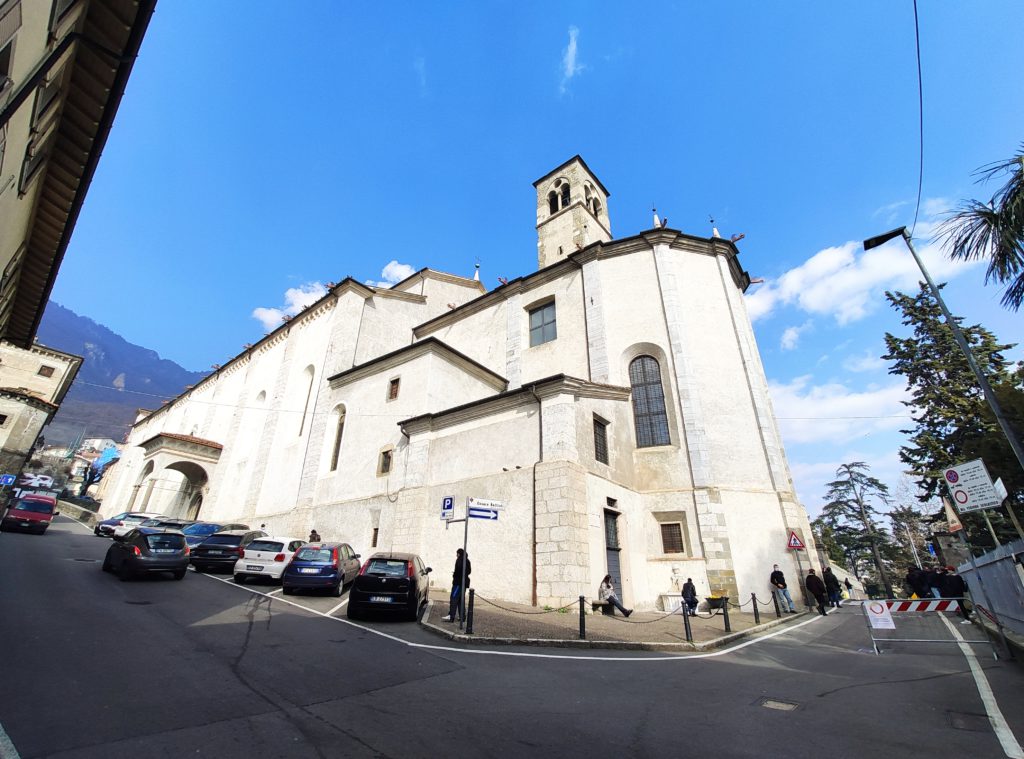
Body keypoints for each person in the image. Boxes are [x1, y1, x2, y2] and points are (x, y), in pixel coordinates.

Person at [442, 548, 471, 622]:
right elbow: (469, 571)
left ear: (459, 554)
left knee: (454, 599)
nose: (456, 555)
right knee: (461, 600)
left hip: (458, 583)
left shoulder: (459, 560)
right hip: (464, 584)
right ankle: (462, 617)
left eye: (457, 553)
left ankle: (451, 616)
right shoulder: (467, 561)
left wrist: (455, 575)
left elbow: (458, 570)